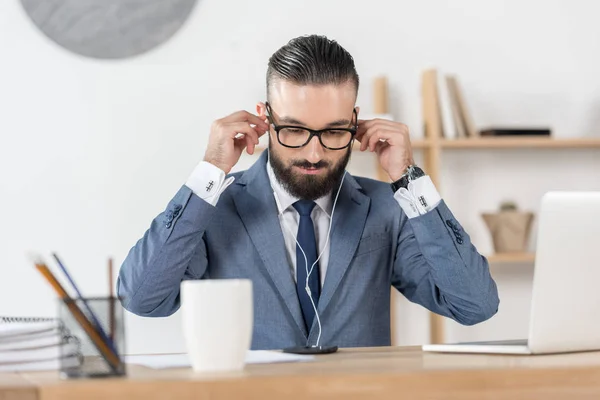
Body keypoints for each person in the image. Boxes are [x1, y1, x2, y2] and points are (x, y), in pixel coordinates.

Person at [117, 34, 499, 350]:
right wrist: (210, 171)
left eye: (334, 132)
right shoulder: (213, 207)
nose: (314, 154)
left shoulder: (388, 208)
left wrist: (410, 178)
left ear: (354, 121)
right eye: (295, 130)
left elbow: (474, 305)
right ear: (265, 120)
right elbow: (143, 299)